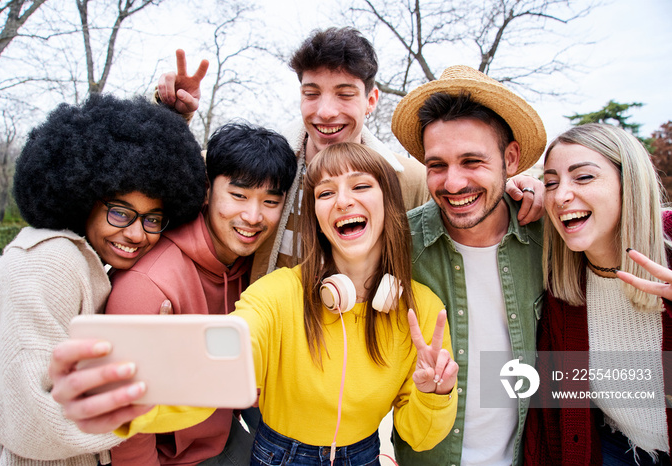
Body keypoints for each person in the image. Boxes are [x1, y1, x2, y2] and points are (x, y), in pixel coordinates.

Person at [49, 142, 460, 465]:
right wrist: (129, 406)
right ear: (316, 214)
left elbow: (419, 436)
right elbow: (216, 370)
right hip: (279, 457)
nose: (342, 201)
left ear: (389, 203)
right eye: (326, 192)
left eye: (361, 186)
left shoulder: (421, 310)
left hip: (366, 455)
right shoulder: (274, 295)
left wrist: (433, 395)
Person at [155, 29, 545, 282]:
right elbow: (169, 178)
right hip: (264, 352)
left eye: (344, 94)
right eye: (312, 93)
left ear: (371, 100)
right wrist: (170, 116)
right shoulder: (262, 164)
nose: (325, 111)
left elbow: (464, 198)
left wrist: (521, 187)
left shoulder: (405, 177)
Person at [0, 94, 206, 465]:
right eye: (120, 212)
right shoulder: (52, 262)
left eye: (152, 219)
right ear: (84, 198)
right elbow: (38, 419)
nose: (136, 234)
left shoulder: (86, 260)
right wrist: (155, 380)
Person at [105, 121, 297, 466]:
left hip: (223, 437)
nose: (253, 216)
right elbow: (125, 427)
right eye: (238, 196)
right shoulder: (148, 284)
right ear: (207, 190)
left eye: (270, 201)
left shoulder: (253, 268)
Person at [389, 65, 547, 466]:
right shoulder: (397, 245)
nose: (453, 183)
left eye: (472, 161)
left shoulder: (548, 239)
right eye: (437, 165)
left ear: (510, 158)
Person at [523, 123, 672, 465]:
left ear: (628, 182)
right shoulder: (564, 284)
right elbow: (556, 407)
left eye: (584, 177)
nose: (560, 196)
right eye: (550, 183)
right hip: (615, 445)